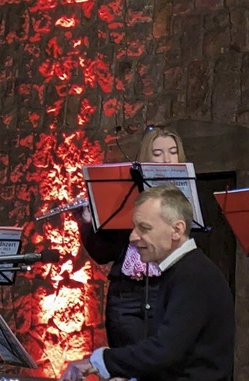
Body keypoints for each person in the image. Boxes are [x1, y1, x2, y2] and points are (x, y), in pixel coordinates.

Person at [61, 184, 235, 381]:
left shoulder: (194, 276)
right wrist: (129, 375)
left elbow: (163, 351)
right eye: (135, 227)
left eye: (144, 228)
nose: (133, 237)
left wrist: (100, 361)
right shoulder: (180, 271)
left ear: (177, 230)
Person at [78, 125, 187, 349]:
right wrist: (88, 222)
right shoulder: (127, 195)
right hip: (126, 297)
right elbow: (103, 254)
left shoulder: (188, 198)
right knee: (127, 370)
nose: (167, 160)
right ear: (147, 157)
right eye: (158, 154)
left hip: (166, 293)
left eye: (172, 152)